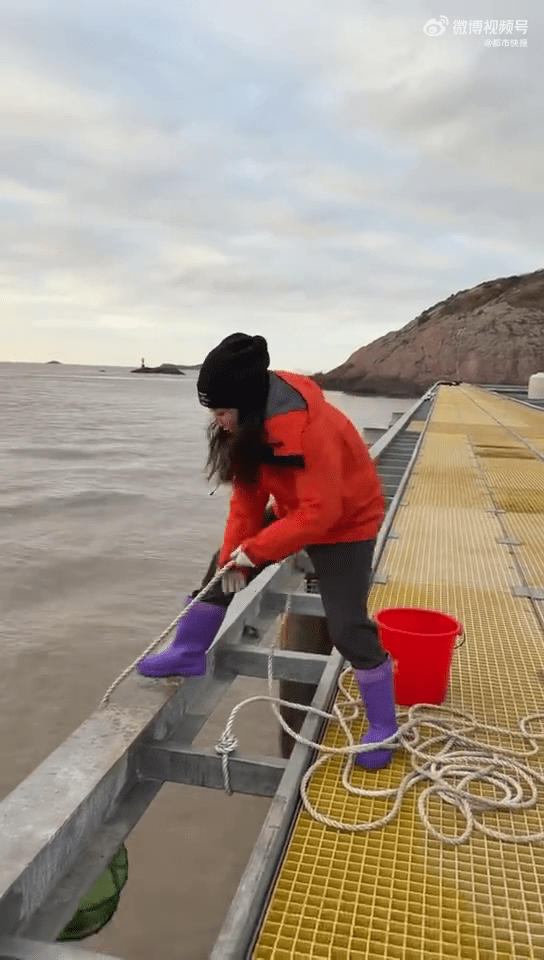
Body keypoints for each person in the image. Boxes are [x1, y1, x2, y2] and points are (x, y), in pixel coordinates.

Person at [137, 333, 398, 769]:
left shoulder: (313, 430)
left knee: (347, 626)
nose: (218, 421)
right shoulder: (248, 426)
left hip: (347, 524)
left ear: (246, 403)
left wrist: (255, 553)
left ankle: (383, 725)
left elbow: (323, 513)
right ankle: (188, 651)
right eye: (212, 412)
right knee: (220, 570)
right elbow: (246, 503)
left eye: (222, 411)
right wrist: (234, 556)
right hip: (298, 510)